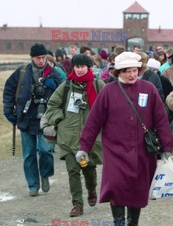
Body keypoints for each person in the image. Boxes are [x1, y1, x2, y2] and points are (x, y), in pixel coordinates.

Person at [77, 51, 173, 226]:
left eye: (135, 70)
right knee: (116, 188)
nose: (132, 75)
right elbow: (93, 122)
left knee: (137, 190)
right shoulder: (108, 91)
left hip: (141, 150)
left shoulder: (149, 89)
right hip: (115, 150)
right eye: (127, 71)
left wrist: (166, 146)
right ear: (118, 72)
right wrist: (84, 147)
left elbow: (161, 119)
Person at [44, 54, 105, 217]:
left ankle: (92, 189)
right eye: (76, 66)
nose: (78, 70)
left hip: (90, 140)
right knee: (73, 171)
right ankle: (77, 205)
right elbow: (52, 106)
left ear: (89, 68)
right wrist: (59, 120)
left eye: (82, 66)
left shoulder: (99, 86)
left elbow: (110, 108)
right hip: (69, 137)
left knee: (88, 169)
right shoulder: (65, 86)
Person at [3, 43, 62, 196]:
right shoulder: (22, 72)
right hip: (26, 117)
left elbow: (64, 92)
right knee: (28, 154)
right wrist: (8, 110)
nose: (42, 61)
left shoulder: (54, 73)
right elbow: (9, 90)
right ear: (32, 58)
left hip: (46, 118)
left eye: (43, 57)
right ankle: (33, 185)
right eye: (38, 58)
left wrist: (54, 86)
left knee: (45, 150)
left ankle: (45, 175)